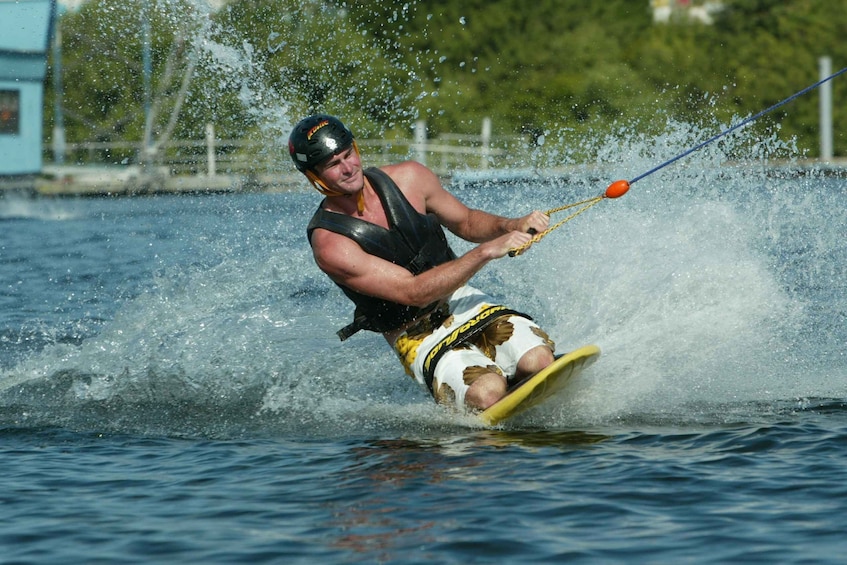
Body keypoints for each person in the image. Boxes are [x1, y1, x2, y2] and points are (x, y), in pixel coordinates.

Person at [289, 114, 556, 412]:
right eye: (333, 164)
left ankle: (509, 373)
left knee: (539, 361)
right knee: (488, 394)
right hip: (415, 333)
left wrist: (511, 225)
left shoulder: (410, 178)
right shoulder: (331, 244)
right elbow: (413, 293)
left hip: (460, 300)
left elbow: (466, 222)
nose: (348, 167)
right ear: (314, 176)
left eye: (348, 154)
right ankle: (486, 390)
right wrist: (485, 252)